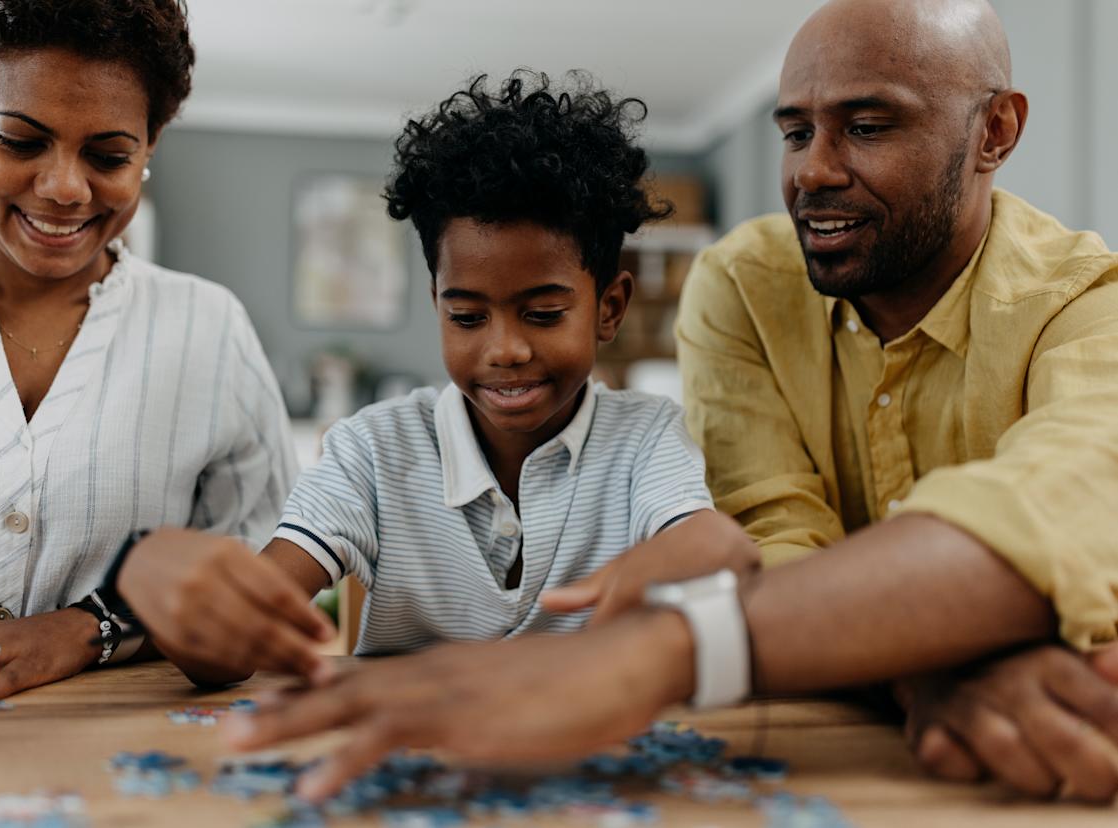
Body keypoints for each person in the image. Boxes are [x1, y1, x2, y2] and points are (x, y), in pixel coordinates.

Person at [216, 0, 1118, 805]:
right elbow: (778, 540)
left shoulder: (1088, 309)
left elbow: (1054, 514)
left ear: (995, 130)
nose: (812, 172)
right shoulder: (748, 285)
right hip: (905, 732)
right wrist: (927, 665)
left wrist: (661, 650)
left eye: (868, 125)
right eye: (795, 132)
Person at [115, 71, 753, 686]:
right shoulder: (370, 451)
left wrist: (688, 558)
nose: (504, 349)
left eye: (543, 314)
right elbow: (230, 646)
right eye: (468, 316)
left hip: (586, 760)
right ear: (436, 304)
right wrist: (202, 613)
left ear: (609, 308)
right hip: (403, 760)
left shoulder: (646, 438)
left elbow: (712, 543)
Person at [0, 0, 296, 731]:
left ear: (151, 142)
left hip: (112, 764)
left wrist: (87, 628)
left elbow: (259, 584)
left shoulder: (208, 328)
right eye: (19, 140)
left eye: (108, 156)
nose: (66, 188)